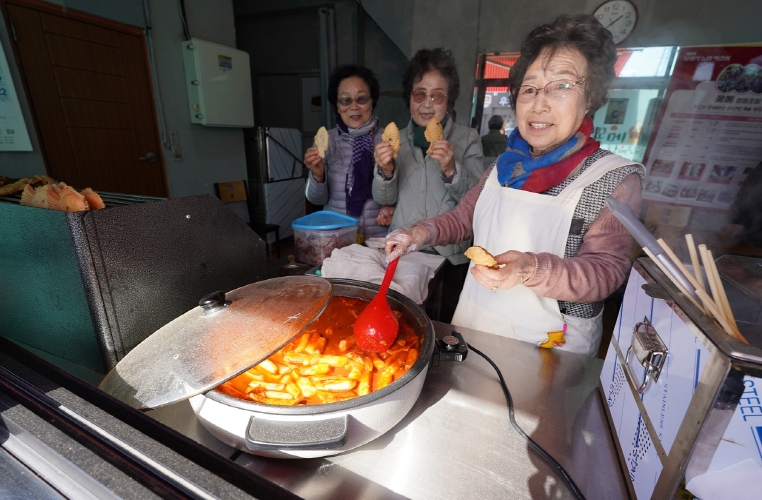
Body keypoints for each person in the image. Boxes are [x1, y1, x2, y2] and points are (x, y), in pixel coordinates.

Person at [384, 15, 645, 356]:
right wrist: (418, 233)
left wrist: (532, 269)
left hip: (549, 347)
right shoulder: (504, 166)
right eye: (530, 88)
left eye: (562, 86)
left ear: (591, 98)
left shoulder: (612, 178)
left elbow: (606, 272)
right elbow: (463, 219)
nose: (539, 104)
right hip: (476, 323)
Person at [372, 48, 485, 261]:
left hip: (450, 254)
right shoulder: (396, 141)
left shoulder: (467, 138)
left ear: (449, 99)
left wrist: (451, 170)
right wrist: (386, 171)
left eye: (437, 96)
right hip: (404, 251)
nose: (427, 104)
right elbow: (384, 199)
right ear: (409, 96)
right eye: (420, 94)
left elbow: (478, 202)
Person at [303, 65, 389, 240]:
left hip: (378, 239)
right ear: (337, 105)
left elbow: (398, 196)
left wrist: (388, 172)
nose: (354, 107)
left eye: (361, 99)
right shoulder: (327, 141)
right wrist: (318, 176)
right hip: (337, 238)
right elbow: (316, 200)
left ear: (372, 101)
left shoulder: (388, 141)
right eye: (345, 100)